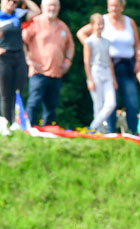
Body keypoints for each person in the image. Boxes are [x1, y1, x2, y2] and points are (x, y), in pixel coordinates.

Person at [77, 0, 140, 135]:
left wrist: (139, 62)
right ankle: (109, 131)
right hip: (107, 65)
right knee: (108, 102)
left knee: (131, 101)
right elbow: (81, 33)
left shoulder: (130, 22)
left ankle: (133, 132)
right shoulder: (102, 21)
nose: (114, 8)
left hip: (127, 65)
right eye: (111, 5)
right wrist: (91, 47)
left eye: (117, 6)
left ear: (122, 7)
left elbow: (137, 44)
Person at [22, 0, 74, 128]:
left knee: (51, 106)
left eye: (55, 5)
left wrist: (68, 61)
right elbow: (22, 41)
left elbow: (70, 45)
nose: (52, 8)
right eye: (49, 5)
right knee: (34, 103)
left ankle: (48, 131)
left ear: (59, 7)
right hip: (38, 71)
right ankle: (29, 130)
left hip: (56, 72)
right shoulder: (35, 22)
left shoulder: (62, 26)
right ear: (42, 7)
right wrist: (29, 60)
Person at [0, 0, 40, 135]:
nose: (11, 4)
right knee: (6, 93)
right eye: (8, 1)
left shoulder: (18, 15)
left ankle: (17, 123)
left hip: (19, 57)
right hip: (4, 59)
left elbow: (37, 12)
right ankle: (7, 123)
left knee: (18, 92)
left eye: (14, 2)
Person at [83, 13, 117, 133]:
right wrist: (90, 79)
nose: (100, 26)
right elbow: (87, 61)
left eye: (102, 24)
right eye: (98, 24)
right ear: (92, 25)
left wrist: (113, 79)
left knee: (111, 103)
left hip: (106, 72)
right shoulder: (89, 41)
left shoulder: (107, 42)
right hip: (95, 71)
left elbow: (109, 61)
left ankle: (92, 127)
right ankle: (100, 131)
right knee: (98, 104)